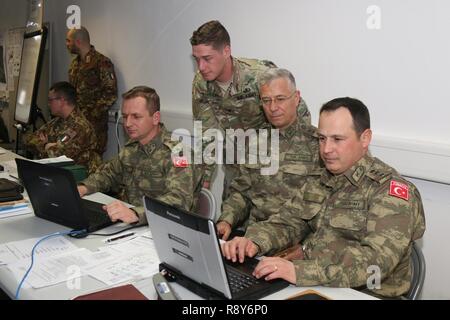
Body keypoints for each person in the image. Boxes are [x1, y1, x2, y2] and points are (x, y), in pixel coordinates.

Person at [222, 97, 426, 298]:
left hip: (366, 294)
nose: (326, 149)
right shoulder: (324, 178)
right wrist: (253, 241)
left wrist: (299, 271)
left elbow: (375, 263)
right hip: (318, 286)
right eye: (321, 138)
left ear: (364, 138)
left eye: (337, 139)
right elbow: (289, 221)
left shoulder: (390, 192)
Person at [191, 20, 311, 199]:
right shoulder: (201, 84)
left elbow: (298, 114)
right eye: (197, 59)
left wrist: (295, 168)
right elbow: (206, 136)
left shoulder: (259, 75)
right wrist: (204, 184)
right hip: (236, 169)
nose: (201, 67)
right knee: (229, 220)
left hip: (270, 169)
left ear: (226, 51)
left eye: (207, 58)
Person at [216, 68, 321, 240]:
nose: (273, 107)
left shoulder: (318, 145)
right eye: (266, 100)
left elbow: (319, 211)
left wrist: (304, 249)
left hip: (293, 245)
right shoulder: (256, 141)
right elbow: (242, 191)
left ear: (296, 98)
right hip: (252, 239)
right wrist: (226, 220)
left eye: (280, 99)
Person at [77, 86, 200, 225]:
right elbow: (108, 174)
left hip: (167, 228)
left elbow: (178, 200)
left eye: (136, 116)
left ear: (155, 118)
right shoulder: (132, 148)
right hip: (133, 227)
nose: (128, 123)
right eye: (125, 116)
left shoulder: (179, 153)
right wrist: (83, 188)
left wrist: (136, 213)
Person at [23, 81, 101, 174]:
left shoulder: (80, 126)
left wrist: (44, 145)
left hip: (80, 178)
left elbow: (57, 157)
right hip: (59, 173)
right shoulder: (57, 122)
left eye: (50, 100)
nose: (48, 104)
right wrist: (48, 146)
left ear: (62, 101)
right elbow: (28, 140)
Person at [66, 26, 118, 155]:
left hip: (94, 128)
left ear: (78, 41)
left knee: (93, 166)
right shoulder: (74, 64)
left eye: (68, 41)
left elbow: (110, 94)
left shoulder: (101, 62)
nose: (67, 44)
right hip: (76, 126)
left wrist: (92, 114)